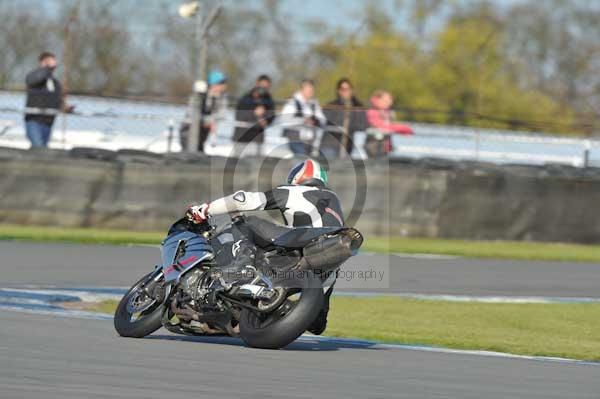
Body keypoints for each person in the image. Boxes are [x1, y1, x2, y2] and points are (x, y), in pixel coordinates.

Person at [186, 159, 342, 335]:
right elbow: (317, 328)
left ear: (299, 176)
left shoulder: (295, 191)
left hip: (304, 244)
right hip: (329, 260)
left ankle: (240, 267)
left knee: (247, 222)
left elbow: (243, 199)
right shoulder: (334, 200)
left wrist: (205, 210)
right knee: (317, 323)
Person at [24, 52, 72, 148]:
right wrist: (46, 68)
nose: (54, 63)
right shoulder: (35, 76)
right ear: (43, 62)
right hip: (34, 120)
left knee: (44, 149)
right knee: (38, 147)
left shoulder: (55, 82)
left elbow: (57, 99)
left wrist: (65, 107)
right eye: (50, 61)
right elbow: (32, 80)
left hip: (48, 123)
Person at [180, 70, 228, 153]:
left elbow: (222, 115)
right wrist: (208, 121)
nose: (224, 86)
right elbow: (192, 113)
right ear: (213, 84)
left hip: (203, 133)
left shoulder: (221, 98)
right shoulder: (200, 95)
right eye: (222, 83)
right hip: (189, 131)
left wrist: (210, 121)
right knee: (189, 153)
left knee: (199, 153)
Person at [320, 78, 367, 159]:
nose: (345, 92)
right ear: (338, 91)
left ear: (351, 90)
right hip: (331, 143)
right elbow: (326, 121)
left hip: (351, 145)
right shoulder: (331, 106)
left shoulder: (357, 107)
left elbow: (363, 125)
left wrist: (350, 127)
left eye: (347, 89)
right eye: (342, 89)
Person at [233, 75, 275, 156]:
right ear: (257, 84)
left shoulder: (268, 100)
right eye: (262, 86)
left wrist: (265, 120)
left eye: (266, 87)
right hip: (243, 139)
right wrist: (253, 113)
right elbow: (239, 116)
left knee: (257, 166)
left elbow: (271, 117)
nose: (263, 90)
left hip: (258, 139)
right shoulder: (246, 99)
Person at [281, 79, 326, 156]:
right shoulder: (293, 101)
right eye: (308, 90)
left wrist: (315, 121)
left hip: (310, 141)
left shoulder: (314, 103)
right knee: (301, 160)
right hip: (295, 140)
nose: (311, 92)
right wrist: (303, 121)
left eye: (312, 90)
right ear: (302, 89)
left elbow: (322, 119)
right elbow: (284, 120)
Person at [365, 90, 413, 157]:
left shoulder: (388, 112)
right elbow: (381, 126)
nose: (390, 102)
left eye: (390, 100)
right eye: (386, 100)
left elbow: (390, 128)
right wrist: (402, 128)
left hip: (385, 146)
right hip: (374, 145)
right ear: (377, 100)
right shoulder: (372, 111)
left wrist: (404, 131)